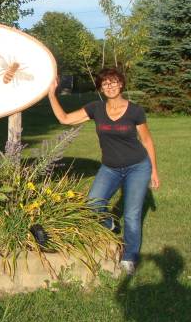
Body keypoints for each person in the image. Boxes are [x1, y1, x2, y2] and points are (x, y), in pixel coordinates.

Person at [48, 67, 160, 275]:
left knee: (132, 214)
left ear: (121, 84)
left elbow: (146, 140)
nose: (110, 86)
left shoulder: (135, 111)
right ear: (100, 87)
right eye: (105, 83)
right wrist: (51, 94)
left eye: (114, 82)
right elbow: (64, 119)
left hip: (138, 166)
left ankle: (129, 257)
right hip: (110, 168)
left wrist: (153, 170)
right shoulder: (95, 109)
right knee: (92, 205)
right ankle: (111, 225)